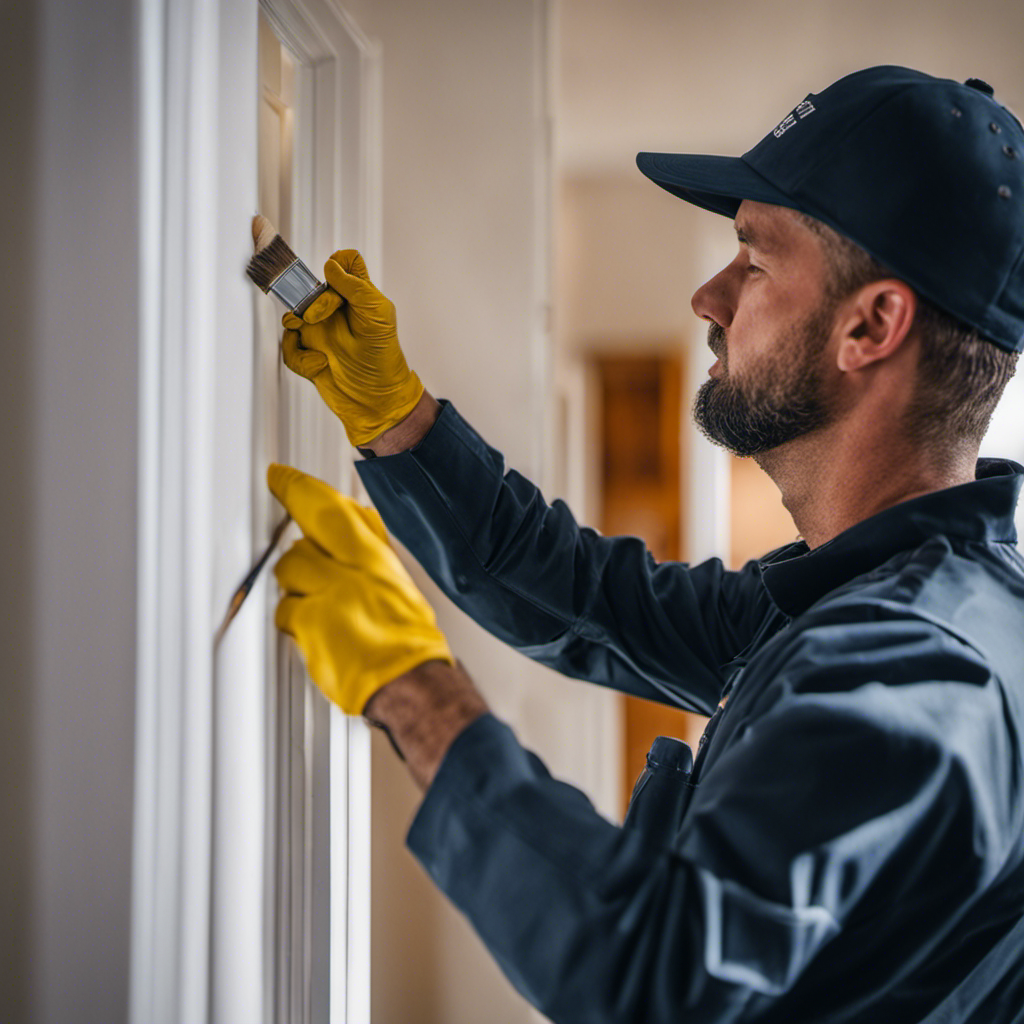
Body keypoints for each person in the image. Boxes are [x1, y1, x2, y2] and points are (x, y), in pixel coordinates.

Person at [267, 66, 1024, 1023]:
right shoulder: (874, 602)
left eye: (754, 260)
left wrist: (415, 693)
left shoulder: (910, 671)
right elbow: (586, 598)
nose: (710, 296)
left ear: (871, 325)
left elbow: (654, 983)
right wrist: (398, 423)